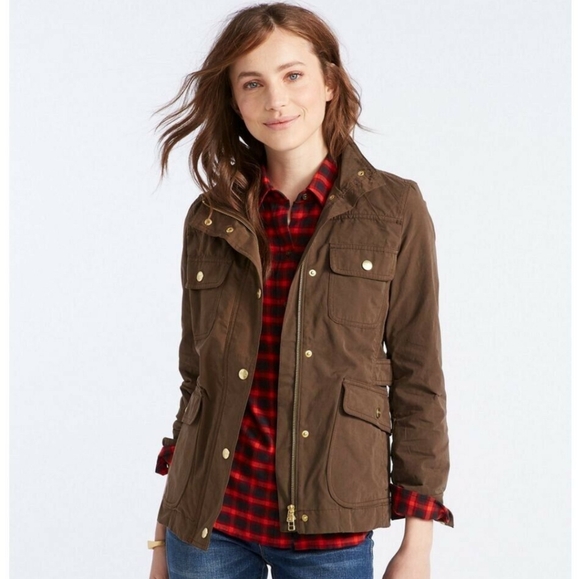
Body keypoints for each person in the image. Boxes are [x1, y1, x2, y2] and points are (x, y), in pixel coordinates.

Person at [149, 3, 453, 578]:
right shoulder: (210, 217)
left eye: (293, 75)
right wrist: (162, 538)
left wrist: (418, 545)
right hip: (209, 523)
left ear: (329, 83)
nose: (276, 100)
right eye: (252, 83)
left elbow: (419, 380)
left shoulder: (394, 209)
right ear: (234, 101)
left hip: (329, 529)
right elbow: (196, 382)